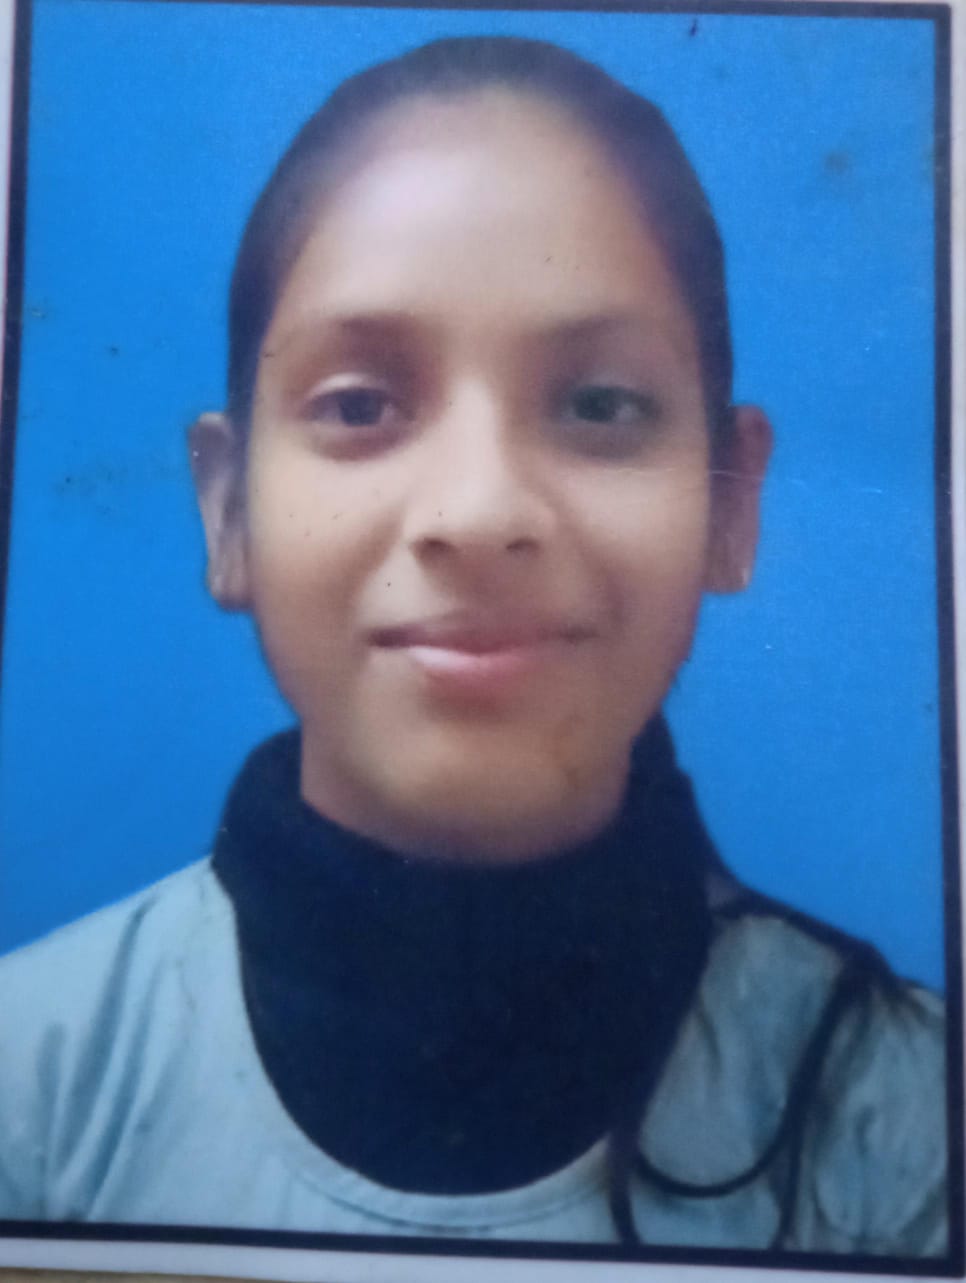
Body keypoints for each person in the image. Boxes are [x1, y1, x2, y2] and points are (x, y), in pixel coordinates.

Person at [0, 35, 947, 1257]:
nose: (481, 510)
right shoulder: (34, 1085)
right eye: (359, 405)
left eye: (599, 404)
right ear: (229, 511)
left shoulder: (905, 1126)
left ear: (731, 503)